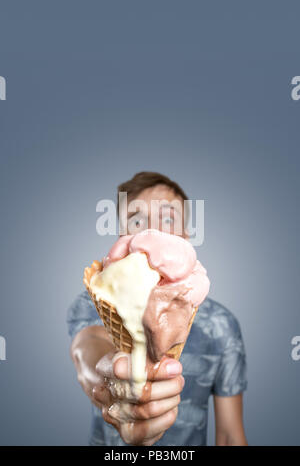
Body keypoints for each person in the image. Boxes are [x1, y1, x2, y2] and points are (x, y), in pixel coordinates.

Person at [67, 171, 248, 446]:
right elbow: (87, 349)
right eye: (137, 220)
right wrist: (114, 385)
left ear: (186, 238)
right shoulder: (92, 303)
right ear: (122, 236)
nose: (152, 231)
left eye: (168, 218)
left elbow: (230, 436)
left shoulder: (221, 324)